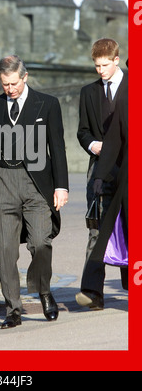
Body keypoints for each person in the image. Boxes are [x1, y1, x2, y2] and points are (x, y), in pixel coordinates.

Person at [0, 55, 69, 328]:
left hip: (36, 184)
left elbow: (57, 148)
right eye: (5, 84)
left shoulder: (48, 104)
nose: (10, 89)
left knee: (41, 242)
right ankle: (13, 309)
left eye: (14, 83)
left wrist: (61, 186)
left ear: (25, 77)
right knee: (5, 249)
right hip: (2, 182)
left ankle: (43, 291)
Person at [76, 39, 128, 310]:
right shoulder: (88, 93)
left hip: (129, 168)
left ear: (117, 60)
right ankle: (92, 291)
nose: (100, 70)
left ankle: (131, 284)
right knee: (97, 228)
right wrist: (92, 144)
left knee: (130, 228)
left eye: (105, 65)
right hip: (100, 169)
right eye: (96, 65)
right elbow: (82, 130)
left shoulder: (133, 85)